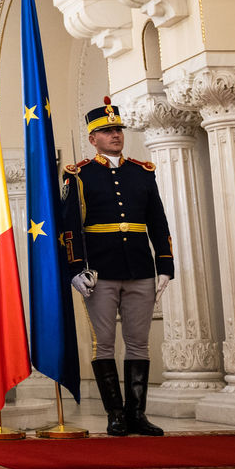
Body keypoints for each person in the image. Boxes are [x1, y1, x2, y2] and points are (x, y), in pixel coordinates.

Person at [61, 97, 173, 437]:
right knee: (105, 343)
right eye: (107, 131)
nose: (115, 135)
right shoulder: (80, 175)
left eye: (118, 130)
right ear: (93, 138)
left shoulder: (142, 173)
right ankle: (116, 415)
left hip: (140, 268)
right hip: (101, 270)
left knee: (138, 342)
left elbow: (158, 222)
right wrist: (76, 268)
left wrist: (165, 265)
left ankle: (137, 414)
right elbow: (70, 228)